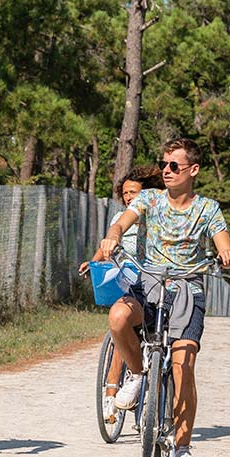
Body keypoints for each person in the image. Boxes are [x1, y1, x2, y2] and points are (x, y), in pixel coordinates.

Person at [95, 138, 230, 457]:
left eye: (174, 165)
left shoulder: (208, 209)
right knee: (118, 318)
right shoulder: (149, 199)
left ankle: (182, 450)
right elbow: (123, 220)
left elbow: (222, 242)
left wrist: (227, 255)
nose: (167, 170)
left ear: (193, 170)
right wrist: (112, 235)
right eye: (164, 165)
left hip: (189, 289)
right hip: (149, 285)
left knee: (183, 364)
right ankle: (139, 376)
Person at [82, 165, 163, 425]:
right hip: (126, 275)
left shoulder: (155, 217)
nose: (129, 197)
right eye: (126, 192)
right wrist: (93, 261)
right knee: (119, 328)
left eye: (134, 192)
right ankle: (111, 393)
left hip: (151, 276)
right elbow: (106, 246)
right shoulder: (121, 217)